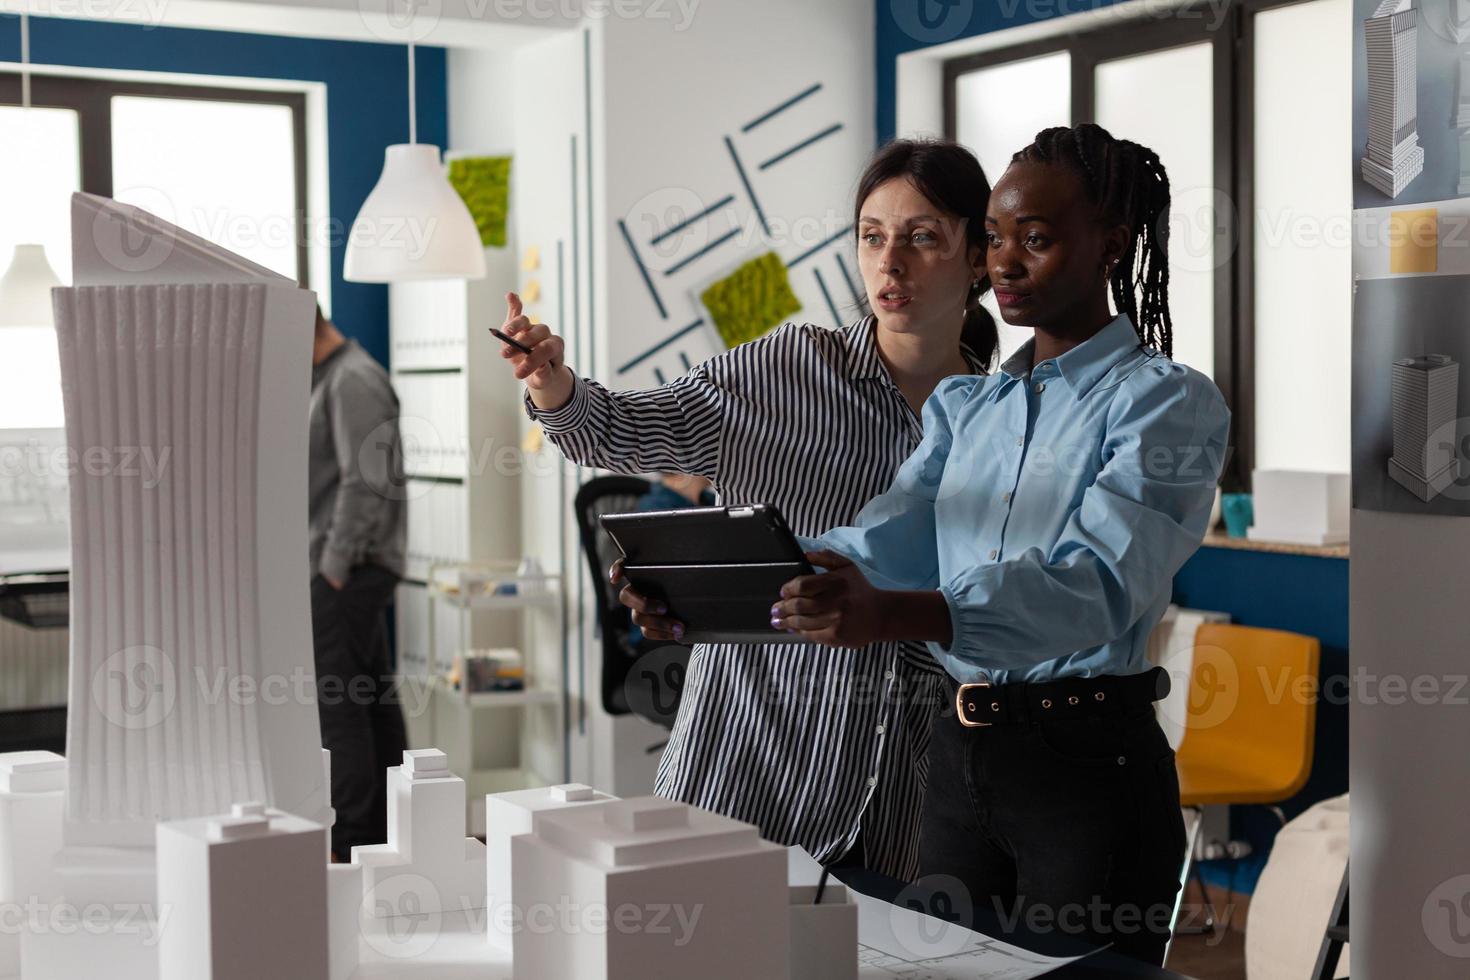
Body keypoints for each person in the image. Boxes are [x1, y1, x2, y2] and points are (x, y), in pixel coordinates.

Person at [771, 124, 1231, 964]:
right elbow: (883, 539)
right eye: (993, 238)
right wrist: (723, 575)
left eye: (1038, 238)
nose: (1005, 262)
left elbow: (1095, 585)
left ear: (1109, 247)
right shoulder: (965, 408)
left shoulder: (1165, 404)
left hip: (1088, 773)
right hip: (958, 763)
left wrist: (906, 615)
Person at [494, 139, 996, 881]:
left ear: (979, 257)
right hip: (742, 757)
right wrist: (551, 382)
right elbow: (623, 427)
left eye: (923, 238)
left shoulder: (1003, 421)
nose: (890, 263)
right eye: (871, 236)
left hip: (897, 788)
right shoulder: (788, 371)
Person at [307, 305, 409, 861]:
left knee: (339, 711)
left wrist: (333, 568)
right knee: (370, 703)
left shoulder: (352, 379)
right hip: (349, 570)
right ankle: (385, 839)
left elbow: (363, 482)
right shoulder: (333, 377)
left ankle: (346, 848)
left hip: (349, 572)